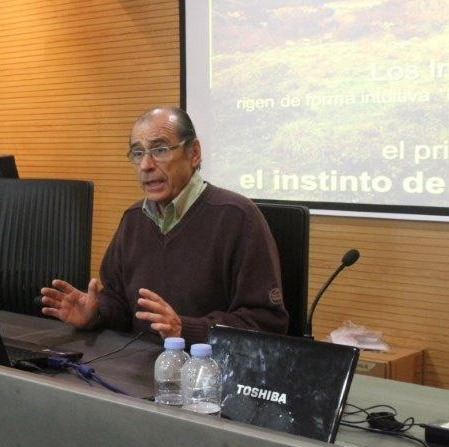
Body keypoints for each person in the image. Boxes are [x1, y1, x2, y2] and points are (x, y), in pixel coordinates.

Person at [40, 106, 288, 343]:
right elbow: (120, 303)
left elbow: (266, 322)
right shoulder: (133, 218)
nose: (146, 165)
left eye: (159, 150)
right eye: (138, 153)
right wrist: (97, 313)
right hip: (138, 363)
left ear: (194, 153)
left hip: (207, 367)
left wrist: (185, 330)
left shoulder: (238, 217)